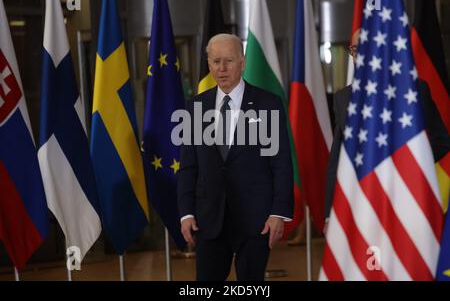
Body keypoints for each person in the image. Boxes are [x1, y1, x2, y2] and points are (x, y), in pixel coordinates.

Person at [177, 33, 294, 281]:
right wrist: (186, 212)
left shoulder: (267, 104)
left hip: (256, 219)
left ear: (242, 62)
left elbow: (281, 163)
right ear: (209, 64)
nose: (222, 68)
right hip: (208, 220)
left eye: (228, 60)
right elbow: (188, 167)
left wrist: (278, 212)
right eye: (216, 61)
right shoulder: (195, 107)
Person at [324, 30, 450, 229]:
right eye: (356, 50)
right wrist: (330, 214)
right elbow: (337, 160)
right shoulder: (343, 98)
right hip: (361, 203)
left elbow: (441, 141)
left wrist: (404, 158)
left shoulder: (415, 91)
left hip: (407, 200)